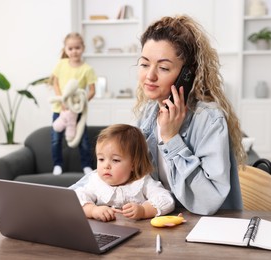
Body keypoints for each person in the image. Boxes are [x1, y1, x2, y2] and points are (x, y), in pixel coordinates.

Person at [72, 15, 246, 216]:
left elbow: (208, 203)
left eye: (163, 68)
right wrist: (76, 199)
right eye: (145, 64)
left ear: (187, 75)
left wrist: (172, 138)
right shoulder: (148, 112)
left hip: (204, 230)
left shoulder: (209, 120)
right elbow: (123, 170)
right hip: (160, 227)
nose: (150, 76)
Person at [74, 124, 175, 222]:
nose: (106, 166)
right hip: (105, 231)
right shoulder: (96, 182)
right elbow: (76, 199)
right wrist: (93, 210)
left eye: (115, 160)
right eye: (101, 159)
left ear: (133, 164)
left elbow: (166, 200)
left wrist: (143, 210)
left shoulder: (142, 182)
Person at [50, 32, 97, 176]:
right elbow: (55, 82)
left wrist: (80, 104)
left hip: (77, 111)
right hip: (60, 108)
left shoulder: (87, 69)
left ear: (83, 48)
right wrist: (62, 100)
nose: (74, 51)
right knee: (56, 139)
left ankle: (86, 165)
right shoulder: (61, 64)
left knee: (83, 140)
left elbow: (92, 90)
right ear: (65, 49)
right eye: (70, 48)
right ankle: (57, 164)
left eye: (77, 47)